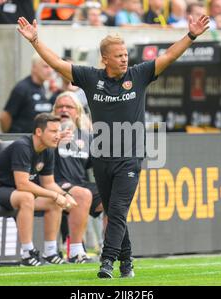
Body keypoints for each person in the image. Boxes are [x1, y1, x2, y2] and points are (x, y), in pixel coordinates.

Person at [17, 12, 209, 278]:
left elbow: (169, 56)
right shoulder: (90, 77)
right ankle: (127, 262)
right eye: (119, 55)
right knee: (114, 212)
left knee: (117, 211)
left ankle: (107, 262)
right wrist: (35, 41)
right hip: (101, 158)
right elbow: (58, 64)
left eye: (125, 54)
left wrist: (190, 36)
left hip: (129, 158)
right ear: (105, 58)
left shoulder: (139, 74)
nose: (125, 58)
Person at [0, 113, 77, 266]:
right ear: (39, 132)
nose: (58, 136)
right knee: (27, 196)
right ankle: (27, 254)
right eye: (53, 131)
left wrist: (65, 195)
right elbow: (22, 184)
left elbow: (48, 183)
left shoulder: (48, 149)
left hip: (11, 192)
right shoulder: (22, 146)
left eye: (59, 131)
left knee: (53, 203)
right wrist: (55, 195)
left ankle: (50, 252)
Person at [52, 91, 104, 263]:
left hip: (79, 184)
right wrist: (53, 140)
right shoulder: (47, 133)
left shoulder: (86, 137)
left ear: (78, 112)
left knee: (112, 195)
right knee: (83, 194)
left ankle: (108, 248)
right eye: (59, 106)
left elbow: (97, 164)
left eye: (69, 107)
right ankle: (75, 251)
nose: (63, 110)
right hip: (53, 184)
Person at [0, 54, 54, 133]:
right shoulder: (22, 88)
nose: (50, 71)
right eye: (46, 67)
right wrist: (9, 136)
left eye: (51, 67)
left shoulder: (43, 87)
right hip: (21, 139)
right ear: (34, 68)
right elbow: (5, 116)